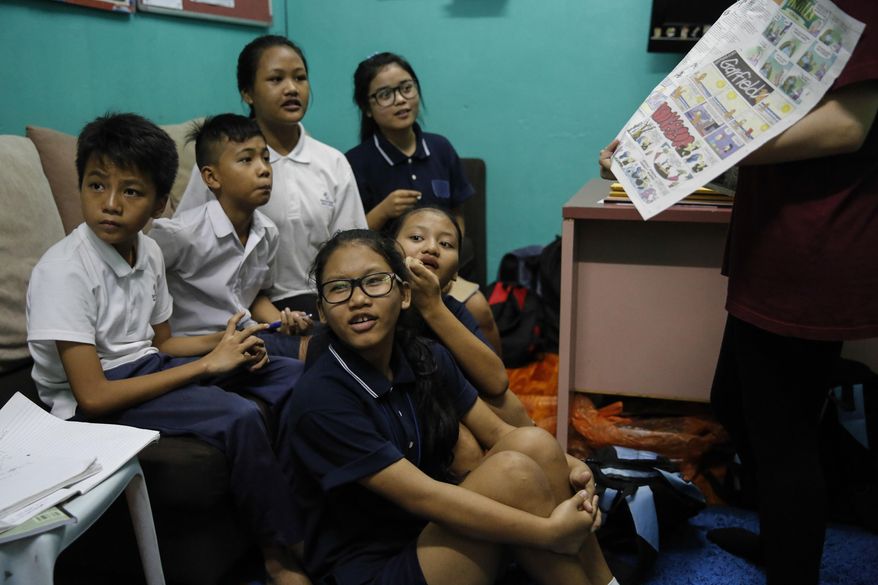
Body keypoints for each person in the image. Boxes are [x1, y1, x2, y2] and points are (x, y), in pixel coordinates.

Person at [599, 3, 877, 582]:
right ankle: (786, 537)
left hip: (813, 252)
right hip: (774, 245)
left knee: (784, 432)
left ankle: (793, 560)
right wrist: (649, 153)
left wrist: (696, 148)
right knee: (738, 403)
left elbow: (849, 125)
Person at [25, 113, 310, 585]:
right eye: (96, 186)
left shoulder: (150, 251)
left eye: (131, 192)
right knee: (236, 415)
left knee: (289, 374)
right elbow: (92, 395)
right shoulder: (64, 272)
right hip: (87, 401)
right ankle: (279, 553)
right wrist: (204, 367)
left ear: (159, 204)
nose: (110, 205)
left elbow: (164, 342)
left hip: (146, 366)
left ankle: (308, 505)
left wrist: (233, 343)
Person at [278, 229, 617, 585]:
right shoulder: (321, 399)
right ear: (321, 309)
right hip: (372, 568)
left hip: (425, 532)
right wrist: (549, 532)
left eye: (375, 282)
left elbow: (502, 432)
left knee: (533, 443)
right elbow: (425, 497)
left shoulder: (423, 356)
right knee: (512, 473)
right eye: (338, 288)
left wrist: (573, 470)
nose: (358, 299)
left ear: (405, 293)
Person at [175, 35, 367, 316]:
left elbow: (354, 247)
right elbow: (188, 244)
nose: (292, 89)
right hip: (241, 307)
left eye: (300, 78)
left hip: (326, 303)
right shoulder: (223, 164)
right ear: (247, 93)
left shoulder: (332, 162)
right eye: (276, 79)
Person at [150, 114, 311, 359]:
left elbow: (253, 295)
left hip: (247, 339)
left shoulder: (267, 233)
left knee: (324, 339)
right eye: (246, 160)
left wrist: (283, 321)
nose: (264, 170)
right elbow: (143, 291)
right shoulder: (179, 235)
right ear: (212, 177)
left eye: (266, 159)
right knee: (315, 355)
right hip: (195, 350)